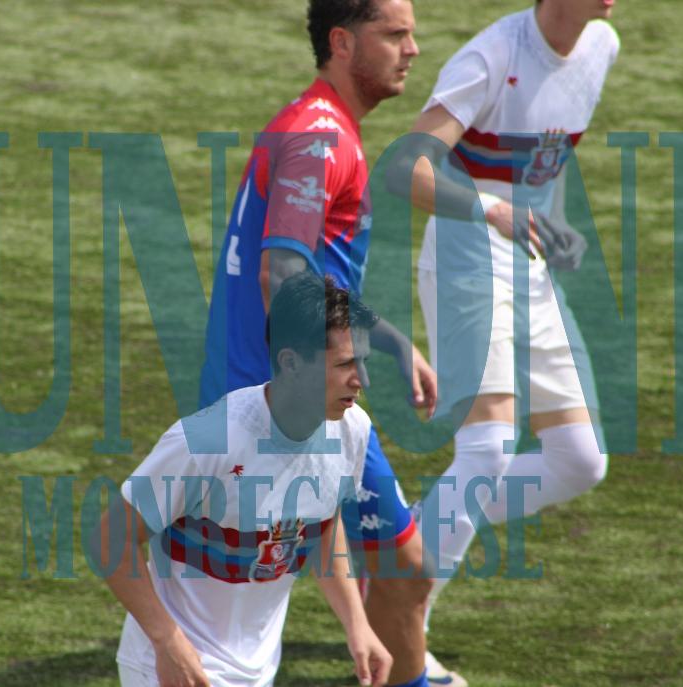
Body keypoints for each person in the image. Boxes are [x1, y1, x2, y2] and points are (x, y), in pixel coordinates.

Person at [198, 2, 448, 685]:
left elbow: (313, 273)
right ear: (342, 42)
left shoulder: (316, 125)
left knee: (402, 569)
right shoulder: (319, 139)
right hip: (277, 408)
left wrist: (389, 340)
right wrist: (307, 406)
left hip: (272, 397)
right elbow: (281, 273)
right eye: (394, 34)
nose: (412, 49)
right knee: (234, 621)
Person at [392, 0, 620, 679]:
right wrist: (491, 208)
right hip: (465, 258)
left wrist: (550, 224)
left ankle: (409, 538)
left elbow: (542, 162)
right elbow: (406, 169)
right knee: (486, 450)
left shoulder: (601, 45)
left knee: (579, 459)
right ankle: (402, 626)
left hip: (529, 267)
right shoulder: (492, 56)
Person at [99, 273, 391, 687]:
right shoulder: (211, 441)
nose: (362, 380)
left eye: (363, 362)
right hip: (174, 668)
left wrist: (356, 623)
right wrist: (167, 642)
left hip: (257, 670)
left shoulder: (351, 430)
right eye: (345, 364)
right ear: (291, 362)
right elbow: (111, 537)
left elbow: (324, 523)